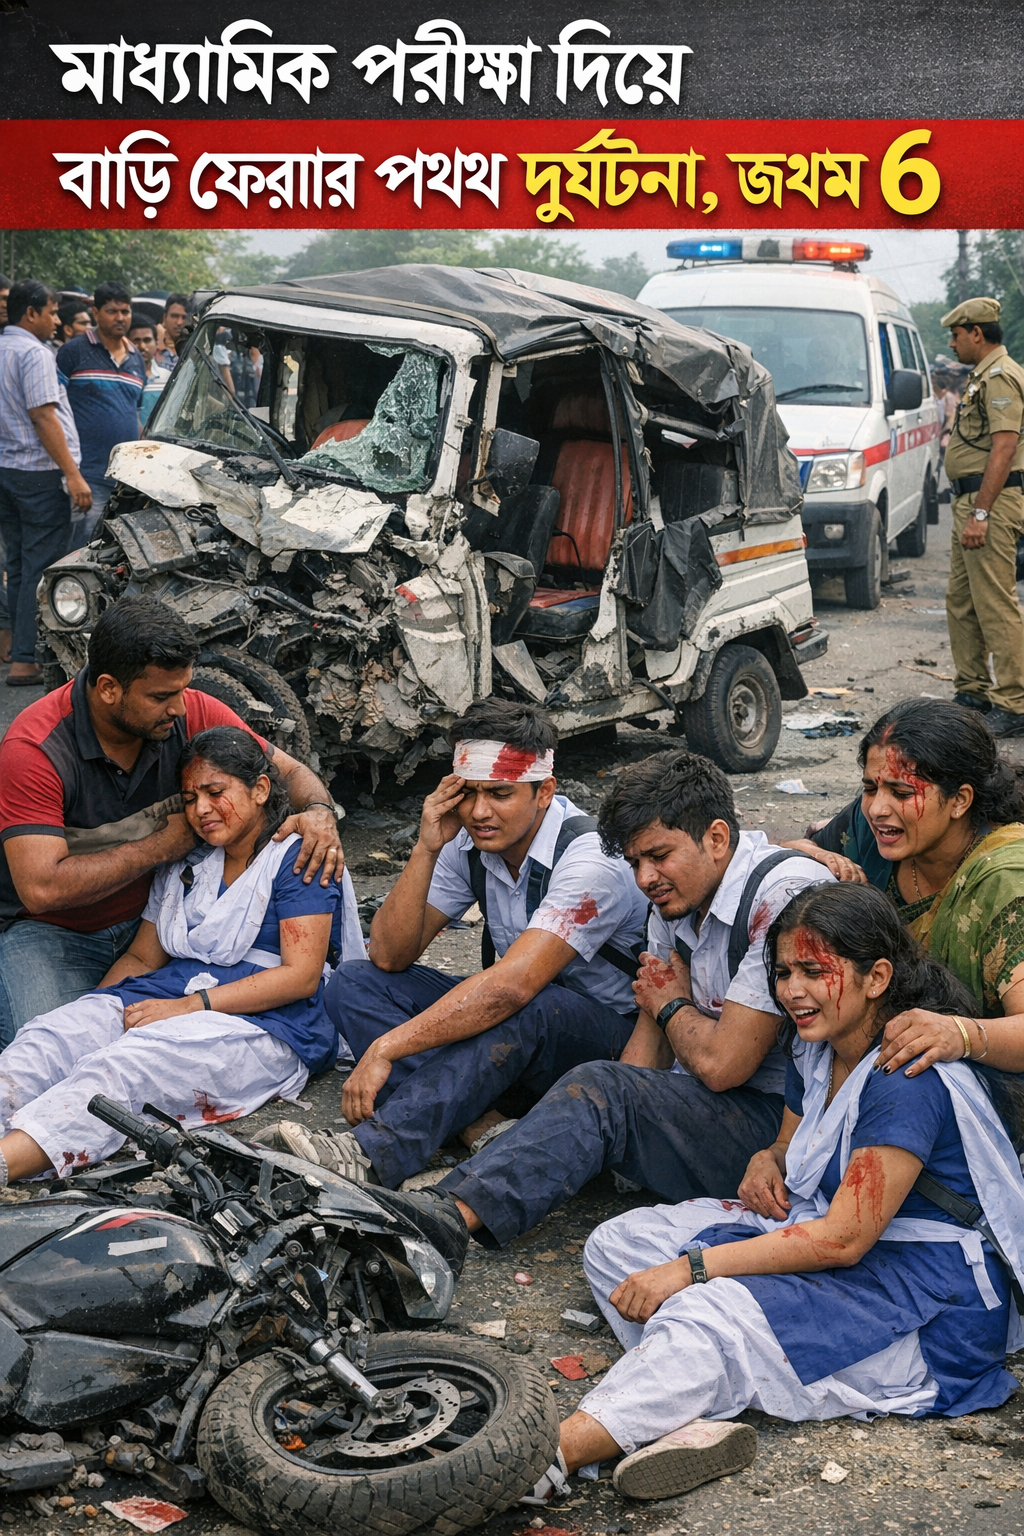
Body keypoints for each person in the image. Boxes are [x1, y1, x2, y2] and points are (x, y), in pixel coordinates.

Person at [525, 883, 1024, 1505]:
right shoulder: (817, 1048)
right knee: (619, 1244)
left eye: (815, 971)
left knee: (703, 1307)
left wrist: (694, 1269)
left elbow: (843, 1238)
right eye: (784, 972)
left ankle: (543, 1456)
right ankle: (689, 1409)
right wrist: (768, 1159)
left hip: (925, 1306)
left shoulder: (903, 1079)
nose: (792, 990)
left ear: (877, 978)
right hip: (843, 1243)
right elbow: (791, 1147)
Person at [431, 749, 832, 1249]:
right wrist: (600, 1130)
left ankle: (446, 1222)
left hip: (788, 1133)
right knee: (603, 1087)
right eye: (635, 861)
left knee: (604, 1088)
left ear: (717, 837)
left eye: (659, 856)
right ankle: (444, 1193)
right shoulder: (676, 897)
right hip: (719, 1101)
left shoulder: (782, 897)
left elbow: (723, 1064)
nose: (644, 879)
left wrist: (670, 1007)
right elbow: (648, 1046)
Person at [259, 700, 650, 1186]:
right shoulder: (466, 841)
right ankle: (478, 1125)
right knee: (355, 983)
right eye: (469, 793)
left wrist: (387, 1047)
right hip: (518, 1038)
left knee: (525, 1002)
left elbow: (514, 987)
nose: (480, 812)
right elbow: (388, 953)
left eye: (501, 794)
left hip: (606, 1044)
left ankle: (373, 1152)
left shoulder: (589, 858)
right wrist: (427, 847)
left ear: (544, 791)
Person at [0, 726, 364, 1187]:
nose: (201, 810)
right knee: (50, 1038)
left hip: (269, 1021)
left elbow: (300, 978)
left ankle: (6, 1164)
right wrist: (93, 1016)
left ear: (260, 789)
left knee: (122, 1070)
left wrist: (188, 1007)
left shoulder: (296, 859)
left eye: (215, 792)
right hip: (170, 993)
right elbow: (141, 959)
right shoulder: (189, 862)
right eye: (190, 798)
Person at [0, 594, 345, 1045]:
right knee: (43, 1049)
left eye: (182, 690)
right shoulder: (35, 751)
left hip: (157, 928)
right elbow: (41, 889)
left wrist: (319, 813)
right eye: (162, 696)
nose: (180, 709)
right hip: (55, 932)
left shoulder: (193, 711)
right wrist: (163, 846)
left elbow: (291, 772)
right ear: (108, 689)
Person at [786, 698, 1024, 1084]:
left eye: (900, 792)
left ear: (960, 800)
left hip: (982, 1084)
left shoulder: (1005, 877)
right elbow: (791, 850)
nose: (878, 808)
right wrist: (806, 852)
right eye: (869, 787)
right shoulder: (868, 831)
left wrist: (959, 1034)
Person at [939, 296, 1024, 734]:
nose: (952, 344)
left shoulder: (1002, 377)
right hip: (968, 502)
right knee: (962, 600)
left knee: (994, 601)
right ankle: (973, 690)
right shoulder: (981, 377)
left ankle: (1014, 702)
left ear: (976, 333)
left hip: (988, 502)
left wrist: (983, 513)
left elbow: (1005, 447)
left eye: (956, 336)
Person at [0, 279, 90, 687]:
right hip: (38, 474)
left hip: (8, 471)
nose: (57, 321)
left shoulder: (3, 348)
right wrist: (72, 474)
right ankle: (25, 658)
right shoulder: (33, 353)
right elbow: (43, 415)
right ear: (30, 313)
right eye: (52, 312)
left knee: (18, 564)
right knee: (40, 568)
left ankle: (20, 652)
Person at [56, 280, 145, 548]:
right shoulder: (73, 352)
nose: (120, 318)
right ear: (96, 313)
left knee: (115, 553)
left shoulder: (136, 358)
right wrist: (71, 474)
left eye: (125, 311)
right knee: (80, 551)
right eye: (112, 311)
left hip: (124, 479)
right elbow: (52, 410)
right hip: (87, 476)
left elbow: (135, 414)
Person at [129, 313, 171, 428]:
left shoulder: (167, 378)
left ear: (157, 343)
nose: (142, 346)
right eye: (136, 340)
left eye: (147, 340)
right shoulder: (121, 378)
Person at [155, 293, 190, 372]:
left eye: (184, 317)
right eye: (174, 316)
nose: (179, 322)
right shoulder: (154, 349)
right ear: (164, 318)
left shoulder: (195, 350)